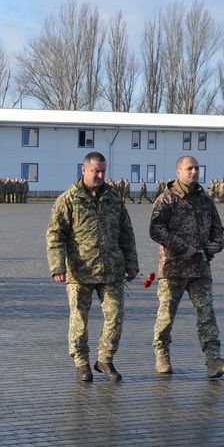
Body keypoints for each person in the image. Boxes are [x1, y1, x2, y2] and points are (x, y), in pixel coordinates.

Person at [46, 152, 139, 382]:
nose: (100, 175)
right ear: (84, 170)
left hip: (111, 270)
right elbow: (55, 235)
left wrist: (131, 263)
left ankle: (105, 359)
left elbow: (126, 233)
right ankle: (81, 363)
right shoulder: (68, 199)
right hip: (81, 271)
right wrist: (57, 266)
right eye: (96, 171)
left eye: (103, 171)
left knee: (115, 316)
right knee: (79, 320)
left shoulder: (114, 198)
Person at [149, 156, 224, 378]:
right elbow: (156, 229)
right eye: (189, 168)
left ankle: (214, 360)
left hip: (200, 268)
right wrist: (182, 247)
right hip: (173, 268)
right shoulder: (167, 199)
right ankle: (162, 355)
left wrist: (217, 244)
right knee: (166, 315)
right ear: (178, 171)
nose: (194, 172)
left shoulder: (205, 199)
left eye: (197, 168)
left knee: (206, 313)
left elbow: (218, 228)